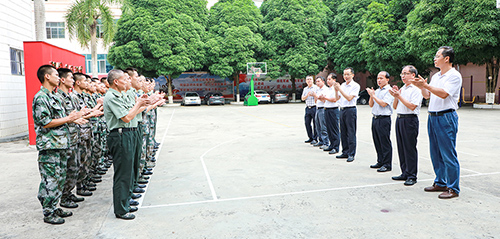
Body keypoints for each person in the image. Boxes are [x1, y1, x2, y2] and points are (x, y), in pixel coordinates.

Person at [32, 65, 83, 224]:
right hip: (50, 146)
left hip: (61, 144)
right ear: (47, 77)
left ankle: (54, 206)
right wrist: (68, 119)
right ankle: (48, 212)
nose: (58, 78)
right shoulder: (41, 97)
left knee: (60, 178)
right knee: (50, 180)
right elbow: (44, 122)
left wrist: (72, 118)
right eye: (55, 74)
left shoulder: (53, 97)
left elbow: (61, 120)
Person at [412, 46, 462, 199]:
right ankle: (440, 182)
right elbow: (428, 96)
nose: (434, 58)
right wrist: (421, 87)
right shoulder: (436, 76)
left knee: (448, 153)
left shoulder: (454, 76)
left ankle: (453, 188)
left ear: (446, 58)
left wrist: (425, 85)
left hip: (446, 117)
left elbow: (443, 94)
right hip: (433, 116)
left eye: (437, 55)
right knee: (435, 152)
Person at [103, 69, 150, 220]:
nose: (128, 81)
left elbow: (131, 112)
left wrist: (140, 103)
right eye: (125, 79)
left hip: (127, 133)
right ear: (116, 81)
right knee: (122, 174)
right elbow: (127, 117)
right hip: (120, 134)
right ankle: (121, 209)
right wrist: (139, 104)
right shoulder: (111, 96)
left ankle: (126, 202)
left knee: (128, 171)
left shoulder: (120, 94)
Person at [389, 65, 423, 186]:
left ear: (413, 75)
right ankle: (405, 172)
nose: (403, 76)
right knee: (401, 147)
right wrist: (396, 96)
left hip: (410, 120)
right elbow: (394, 106)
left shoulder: (416, 89)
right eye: (402, 74)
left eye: (405, 73)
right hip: (400, 119)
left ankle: (412, 175)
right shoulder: (403, 88)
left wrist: (399, 96)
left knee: (409, 148)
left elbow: (412, 106)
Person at [367, 71, 394, 172]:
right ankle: (380, 161)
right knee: (377, 140)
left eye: (381, 78)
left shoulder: (389, 90)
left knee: (384, 141)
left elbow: (383, 104)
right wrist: (371, 95)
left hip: (384, 119)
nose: (379, 80)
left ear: (387, 79)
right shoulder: (377, 91)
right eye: (378, 78)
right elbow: (371, 104)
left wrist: (373, 96)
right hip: (375, 118)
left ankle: (387, 164)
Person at [334, 67, 360, 162]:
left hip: (350, 110)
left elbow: (349, 98)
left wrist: (340, 89)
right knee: (343, 132)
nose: (346, 76)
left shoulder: (355, 86)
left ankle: (351, 153)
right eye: (344, 74)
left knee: (351, 132)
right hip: (342, 109)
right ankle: (345, 151)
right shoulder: (343, 85)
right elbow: (337, 98)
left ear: (352, 75)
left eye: (348, 74)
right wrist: (336, 90)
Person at [319, 73, 340, 154]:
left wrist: (325, 98)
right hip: (326, 109)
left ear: (334, 80)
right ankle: (331, 145)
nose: (328, 81)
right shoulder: (328, 89)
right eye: (327, 79)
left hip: (333, 110)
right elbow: (326, 100)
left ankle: (336, 147)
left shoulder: (336, 89)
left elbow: (335, 99)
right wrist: (322, 98)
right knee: (329, 129)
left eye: (329, 79)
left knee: (334, 129)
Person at [312, 76, 329, 149]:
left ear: (323, 81)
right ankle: (321, 141)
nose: (317, 83)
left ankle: (326, 142)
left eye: (319, 81)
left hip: (323, 108)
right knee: (317, 126)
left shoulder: (325, 89)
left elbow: (324, 100)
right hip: (318, 108)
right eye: (316, 81)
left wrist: (316, 96)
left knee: (323, 126)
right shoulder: (318, 89)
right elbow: (317, 99)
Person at [301, 75, 318, 144]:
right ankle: (310, 137)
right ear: (306, 81)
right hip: (308, 107)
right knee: (307, 123)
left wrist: (314, 95)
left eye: (310, 79)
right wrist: (307, 95)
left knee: (315, 123)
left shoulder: (316, 88)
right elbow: (302, 98)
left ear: (313, 80)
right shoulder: (305, 89)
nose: (309, 80)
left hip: (314, 107)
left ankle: (315, 138)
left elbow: (318, 97)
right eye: (307, 79)